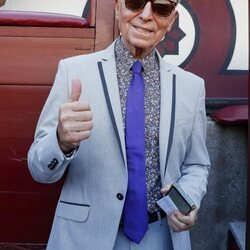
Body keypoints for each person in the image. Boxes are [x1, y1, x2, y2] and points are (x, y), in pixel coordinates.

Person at [27, 0, 210, 249]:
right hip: (84, 237)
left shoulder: (192, 87)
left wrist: (188, 198)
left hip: (162, 237)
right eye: (135, 2)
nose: (146, 15)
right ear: (117, 7)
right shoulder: (73, 72)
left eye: (161, 8)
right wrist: (61, 141)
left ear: (172, 21)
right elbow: (39, 170)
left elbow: (197, 164)